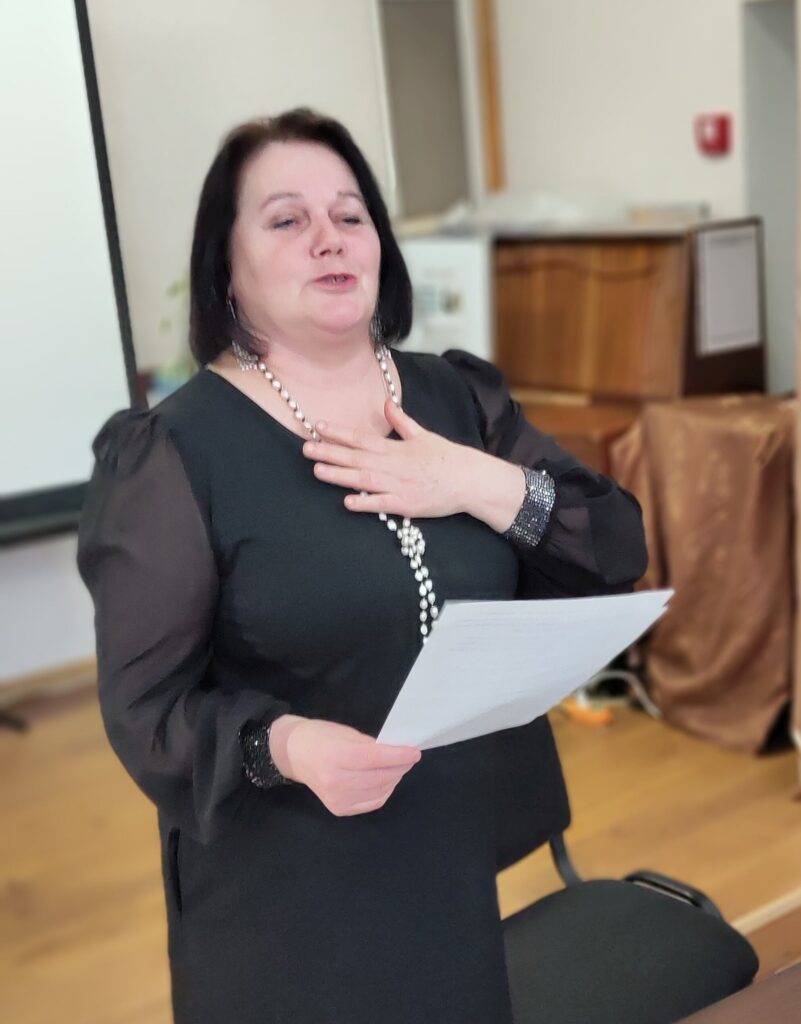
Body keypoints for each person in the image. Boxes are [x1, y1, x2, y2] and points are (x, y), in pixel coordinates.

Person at [77, 108, 647, 1024]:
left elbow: (613, 544)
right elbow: (147, 709)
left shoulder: (455, 398)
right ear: (226, 265)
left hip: (453, 850)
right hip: (284, 881)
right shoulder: (173, 453)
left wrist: (471, 480)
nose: (329, 238)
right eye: (286, 219)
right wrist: (285, 746)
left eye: (350, 215)